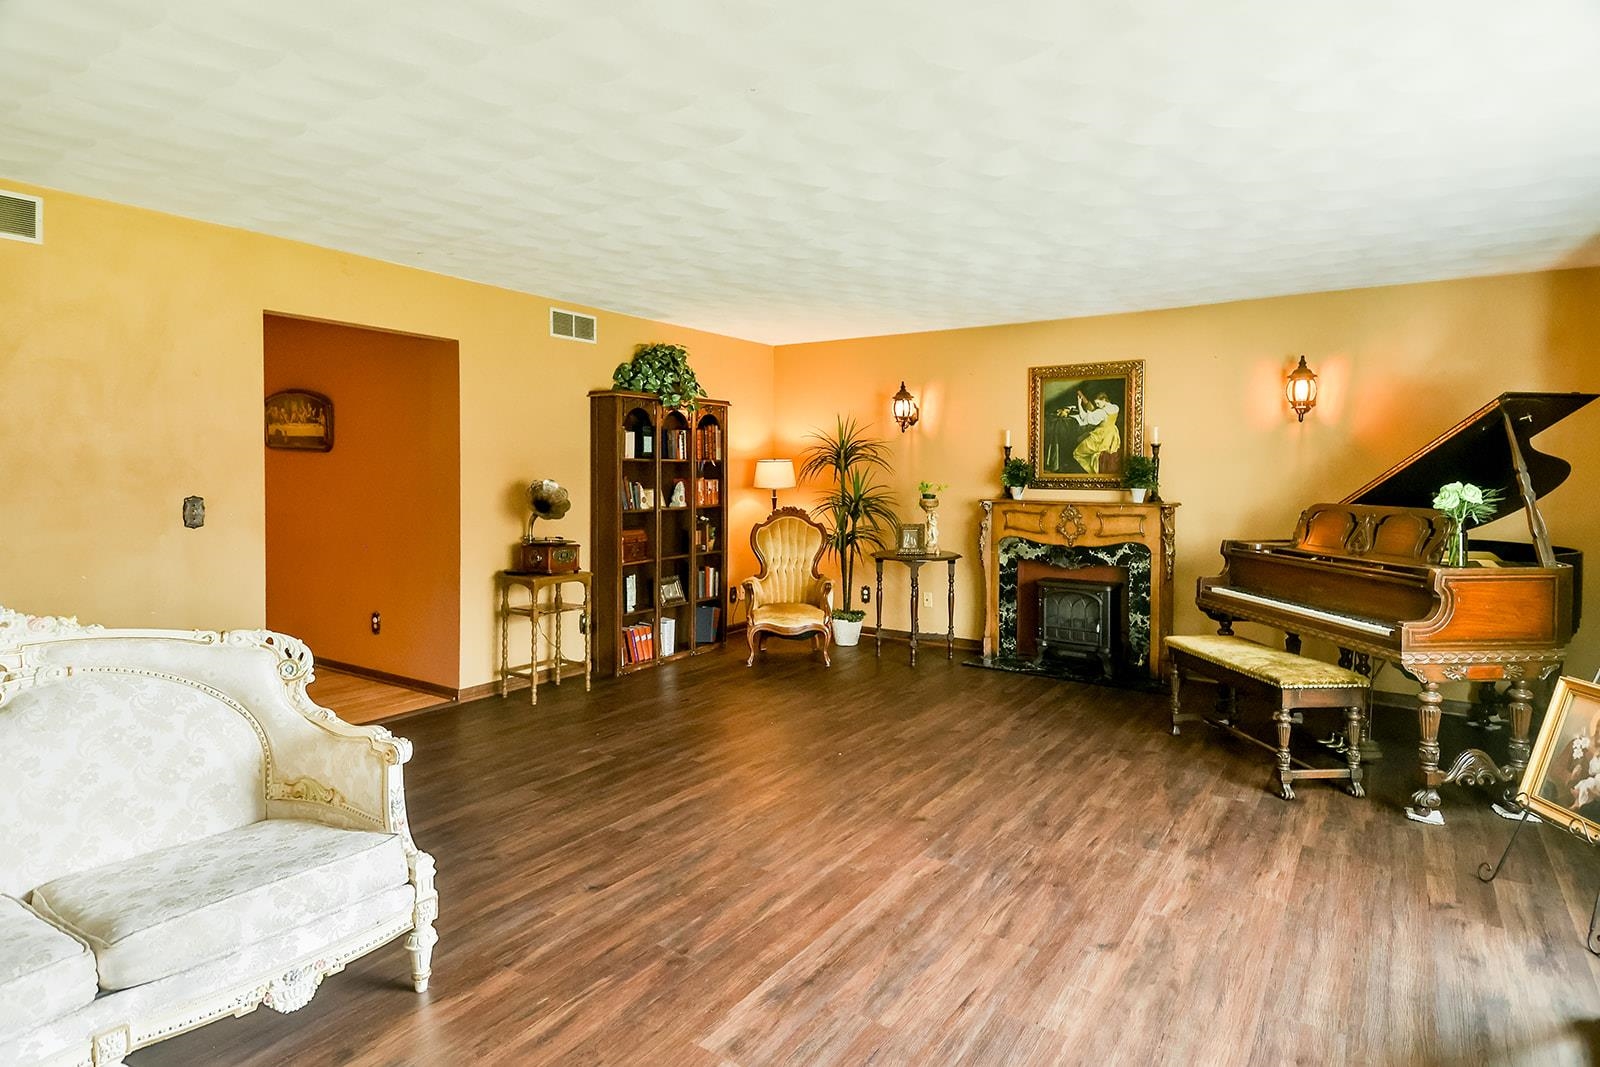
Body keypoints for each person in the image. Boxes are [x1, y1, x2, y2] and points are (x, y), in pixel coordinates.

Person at [1068, 390, 1121, 474]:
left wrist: (1079, 404)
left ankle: (1092, 472)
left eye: (1098, 403)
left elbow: (1085, 419)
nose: (1097, 405)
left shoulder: (1101, 412)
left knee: (1077, 453)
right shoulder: (1115, 407)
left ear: (1104, 399)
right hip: (1112, 433)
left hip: (1101, 435)